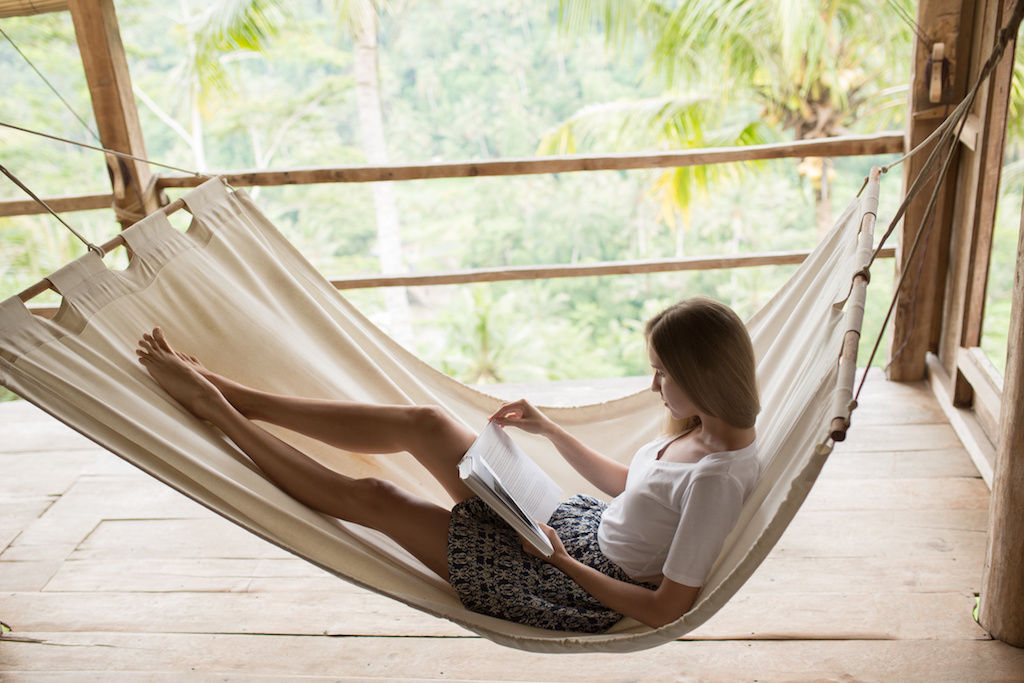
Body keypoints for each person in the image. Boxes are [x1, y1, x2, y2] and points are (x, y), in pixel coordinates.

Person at [135, 296, 760, 633]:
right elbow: (635, 490)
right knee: (428, 424)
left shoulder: (718, 479)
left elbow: (666, 609)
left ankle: (217, 409)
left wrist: (562, 563)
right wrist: (551, 430)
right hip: (570, 525)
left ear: (704, 375)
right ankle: (241, 396)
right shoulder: (700, 429)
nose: (655, 385)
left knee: (382, 499)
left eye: (664, 372)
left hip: (565, 582)